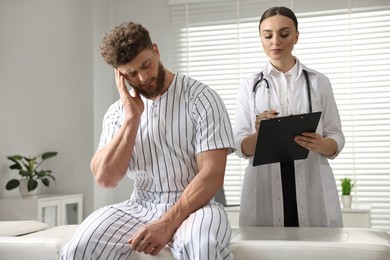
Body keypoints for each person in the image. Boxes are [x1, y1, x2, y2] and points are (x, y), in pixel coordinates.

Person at [60, 21, 235, 260]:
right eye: (131, 73)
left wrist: (166, 223)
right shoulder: (117, 113)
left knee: (204, 248)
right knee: (78, 248)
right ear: (119, 75)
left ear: (155, 50)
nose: (143, 77)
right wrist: (131, 118)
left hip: (198, 207)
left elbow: (213, 174)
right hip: (139, 205)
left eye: (146, 65)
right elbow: (105, 178)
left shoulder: (202, 98)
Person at [233, 6, 345, 227]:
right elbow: (240, 147)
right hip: (265, 189)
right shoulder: (249, 86)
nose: (276, 41)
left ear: (296, 37)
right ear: (261, 38)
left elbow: (336, 138)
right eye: (268, 35)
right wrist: (260, 133)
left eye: (284, 34)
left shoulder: (318, 82)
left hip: (312, 188)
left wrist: (320, 143)